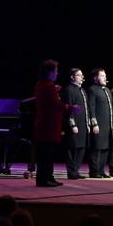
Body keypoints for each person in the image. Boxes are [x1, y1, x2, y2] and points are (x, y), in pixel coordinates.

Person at [33, 59, 80, 187]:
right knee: (46, 154)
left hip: (44, 125)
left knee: (46, 153)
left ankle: (48, 177)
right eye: (56, 71)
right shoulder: (48, 86)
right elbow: (55, 105)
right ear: (49, 73)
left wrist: (54, 89)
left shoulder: (42, 84)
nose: (57, 73)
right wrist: (71, 108)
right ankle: (45, 179)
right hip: (49, 126)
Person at [87, 68, 113, 178]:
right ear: (95, 78)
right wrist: (94, 123)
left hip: (108, 125)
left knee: (105, 148)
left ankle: (101, 170)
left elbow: (112, 108)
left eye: (105, 75)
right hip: (99, 124)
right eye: (102, 76)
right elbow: (91, 107)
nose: (105, 78)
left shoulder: (107, 90)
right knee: (96, 148)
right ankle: (94, 171)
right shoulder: (92, 89)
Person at [61, 68, 89, 180]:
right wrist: (72, 125)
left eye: (82, 75)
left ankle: (76, 170)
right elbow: (68, 109)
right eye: (79, 75)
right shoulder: (69, 90)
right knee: (72, 149)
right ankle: (71, 172)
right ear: (72, 77)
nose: (82, 77)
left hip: (82, 124)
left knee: (81, 148)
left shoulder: (82, 90)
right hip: (74, 125)